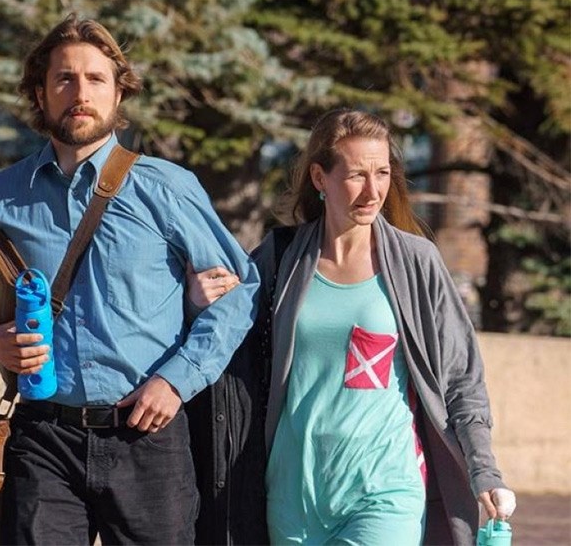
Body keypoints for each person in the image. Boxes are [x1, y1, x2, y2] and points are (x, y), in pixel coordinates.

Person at [0, 14, 259, 545]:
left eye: (95, 79)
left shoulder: (167, 188)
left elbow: (241, 291)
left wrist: (177, 380)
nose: (79, 92)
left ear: (118, 93)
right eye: (64, 79)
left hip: (147, 436)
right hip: (42, 437)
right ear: (40, 94)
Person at [187, 109, 516, 545]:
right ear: (320, 178)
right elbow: (227, 346)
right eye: (357, 175)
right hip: (292, 493)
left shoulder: (416, 263)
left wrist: (483, 470)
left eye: (382, 173)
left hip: (383, 489)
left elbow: (461, 380)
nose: (373, 190)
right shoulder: (280, 258)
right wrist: (197, 304)